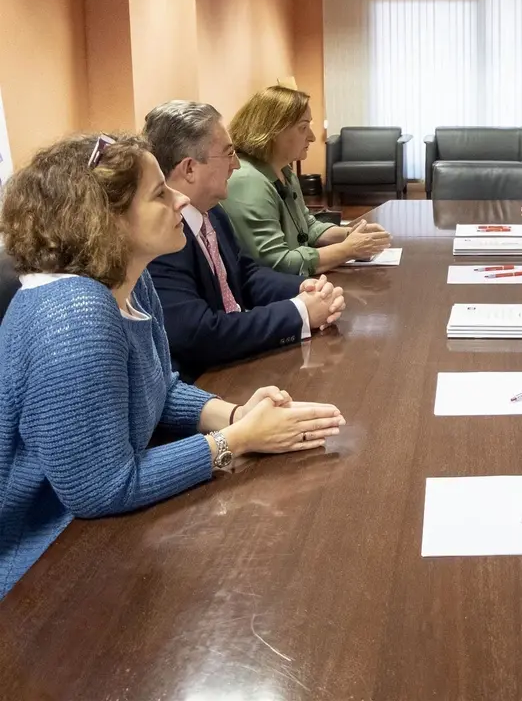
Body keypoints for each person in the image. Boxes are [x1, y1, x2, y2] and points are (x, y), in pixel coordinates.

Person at [0, 133, 346, 598]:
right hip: (42, 569)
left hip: (97, 540)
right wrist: (235, 441)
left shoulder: (130, 283)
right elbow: (102, 489)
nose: (180, 197)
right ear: (105, 221)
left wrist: (236, 414)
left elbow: (159, 386)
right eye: (159, 193)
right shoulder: (73, 316)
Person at [143, 101, 346, 381]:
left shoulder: (213, 211)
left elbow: (244, 275)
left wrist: (302, 287)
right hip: (206, 383)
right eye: (228, 154)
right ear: (189, 169)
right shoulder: (162, 236)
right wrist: (299, 313)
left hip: (239, 362)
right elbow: (200, 335)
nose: (236, 165)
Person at [221, 86, 391, 275]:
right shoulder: (247, 181)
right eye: (303, 128)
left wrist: (349, 234)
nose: (311, 137)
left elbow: (307, 227)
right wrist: (347, 250)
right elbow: (276, 263)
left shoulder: (284, 171)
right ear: (272, 131)